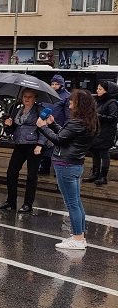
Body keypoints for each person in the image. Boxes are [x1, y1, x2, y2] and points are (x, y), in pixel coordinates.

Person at [37, 88, 99, 250]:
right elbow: (66, 136)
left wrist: (43, 127)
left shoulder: (76, 122)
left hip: (65, 164)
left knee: (71, 203)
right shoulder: (88, 121)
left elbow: (59, 140)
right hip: (76, 164)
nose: (69, 105)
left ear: (80, 105)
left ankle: (78, 239)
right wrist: (53, 124)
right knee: (76, 202)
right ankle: (80, 236)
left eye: (72, 102)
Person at [0, 88, 47, 213]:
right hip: (19, 144)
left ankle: (28, 204)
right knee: (11, 173)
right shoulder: (17, 110)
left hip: (33, 145)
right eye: (25, 96)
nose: (27, 99)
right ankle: (11, 201)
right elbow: (11, 130)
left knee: (31, 176)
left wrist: (40, 144)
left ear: (35, 98)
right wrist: (8, 124)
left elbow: (44, 128)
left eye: (30, 96)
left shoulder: (38, 110)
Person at [39, 75, 70, 176]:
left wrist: (65, 126)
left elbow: (68, 113)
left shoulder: (66, 96)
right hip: (45, 123)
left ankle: (57, 170)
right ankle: (44, 166)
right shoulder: (47, 94)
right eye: (52, 84)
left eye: (56, 84)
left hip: (58, 124)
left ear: (61, 85)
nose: (54, 86)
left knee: (56, 148)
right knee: (45, 145)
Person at [88, 81, 117, 186]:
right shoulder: (98, 101)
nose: (97, 91)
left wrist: (98, 116)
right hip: (96, 132)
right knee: (95, 153)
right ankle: (95, 174)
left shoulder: (112, 102)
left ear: (107, 91)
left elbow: (113, 118)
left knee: (104, 154)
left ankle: (103, 176)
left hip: (106, 133)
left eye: (100, 89)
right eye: (97, 88)